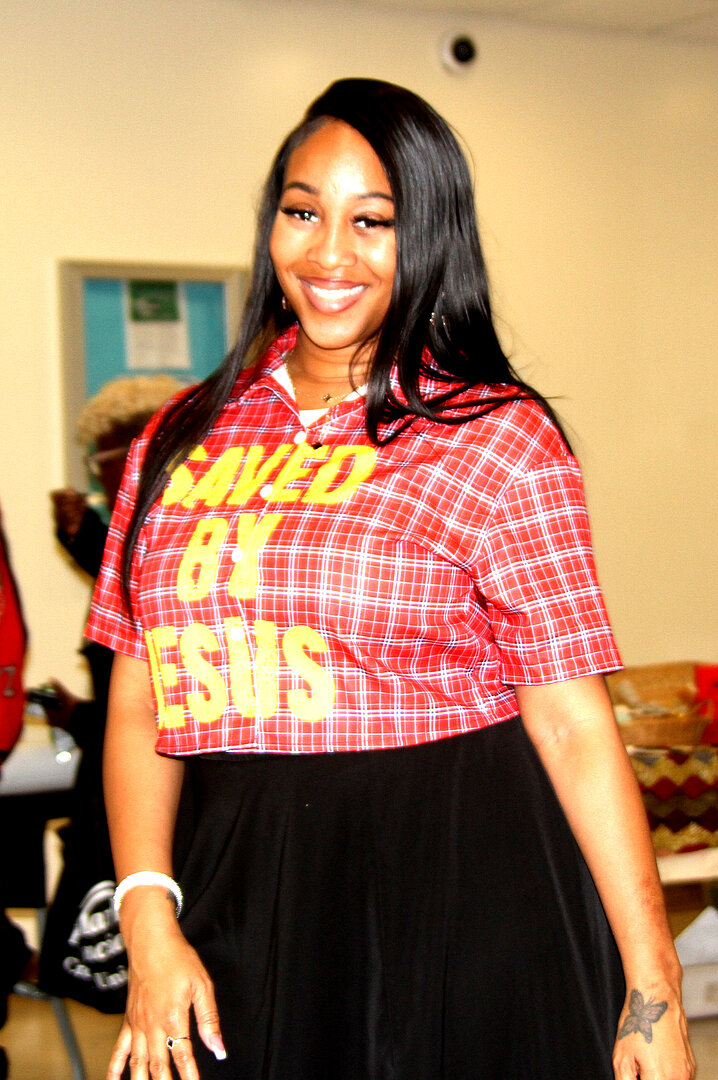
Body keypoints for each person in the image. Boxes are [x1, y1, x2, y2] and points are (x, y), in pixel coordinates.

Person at [86, 79, 694, 1080]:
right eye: (302, 212)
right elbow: (139, 695)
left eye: (373, 221)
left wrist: (651, 984)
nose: (329, 253)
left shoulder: (496, 436)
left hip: (462, 899)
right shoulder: (179, 436)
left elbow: (569, 724)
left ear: (429, 237)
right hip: (239, 888)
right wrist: (146, 915)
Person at [38, 376, 182, 1012]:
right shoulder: (134, 542)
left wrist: (83, 717)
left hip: (156, 784)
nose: (102, 473)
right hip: (116, 771)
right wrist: (84, 544)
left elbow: (166, 693)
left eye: (112, 456)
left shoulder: (179, 541)